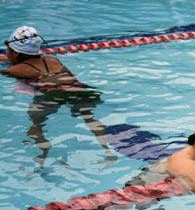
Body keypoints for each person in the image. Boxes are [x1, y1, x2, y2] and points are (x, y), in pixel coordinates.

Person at [1, 26, 115, 165]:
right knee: (90, 118)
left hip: (51, 95)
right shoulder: (53, 60)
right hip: (79, 90)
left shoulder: (14, 70)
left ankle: (42, 155)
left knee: (36, 124)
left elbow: (17, 69)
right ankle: (108, 151)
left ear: (16, 54)